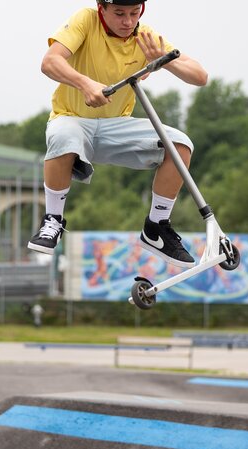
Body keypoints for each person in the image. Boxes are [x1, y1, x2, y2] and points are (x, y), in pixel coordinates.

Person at [27, 0, 208, 268]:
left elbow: (200, 76)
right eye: (120, 13)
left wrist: (164, 62)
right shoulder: (86, 20)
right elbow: (49, 62)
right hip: (72, 119)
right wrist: (85, 84)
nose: (128, 22)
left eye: (134, 13)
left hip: (116, 126)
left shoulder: (144, 36)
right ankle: (53, 220)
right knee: (63, 134)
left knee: (180, 145)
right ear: (102, 8)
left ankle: (156, 228)